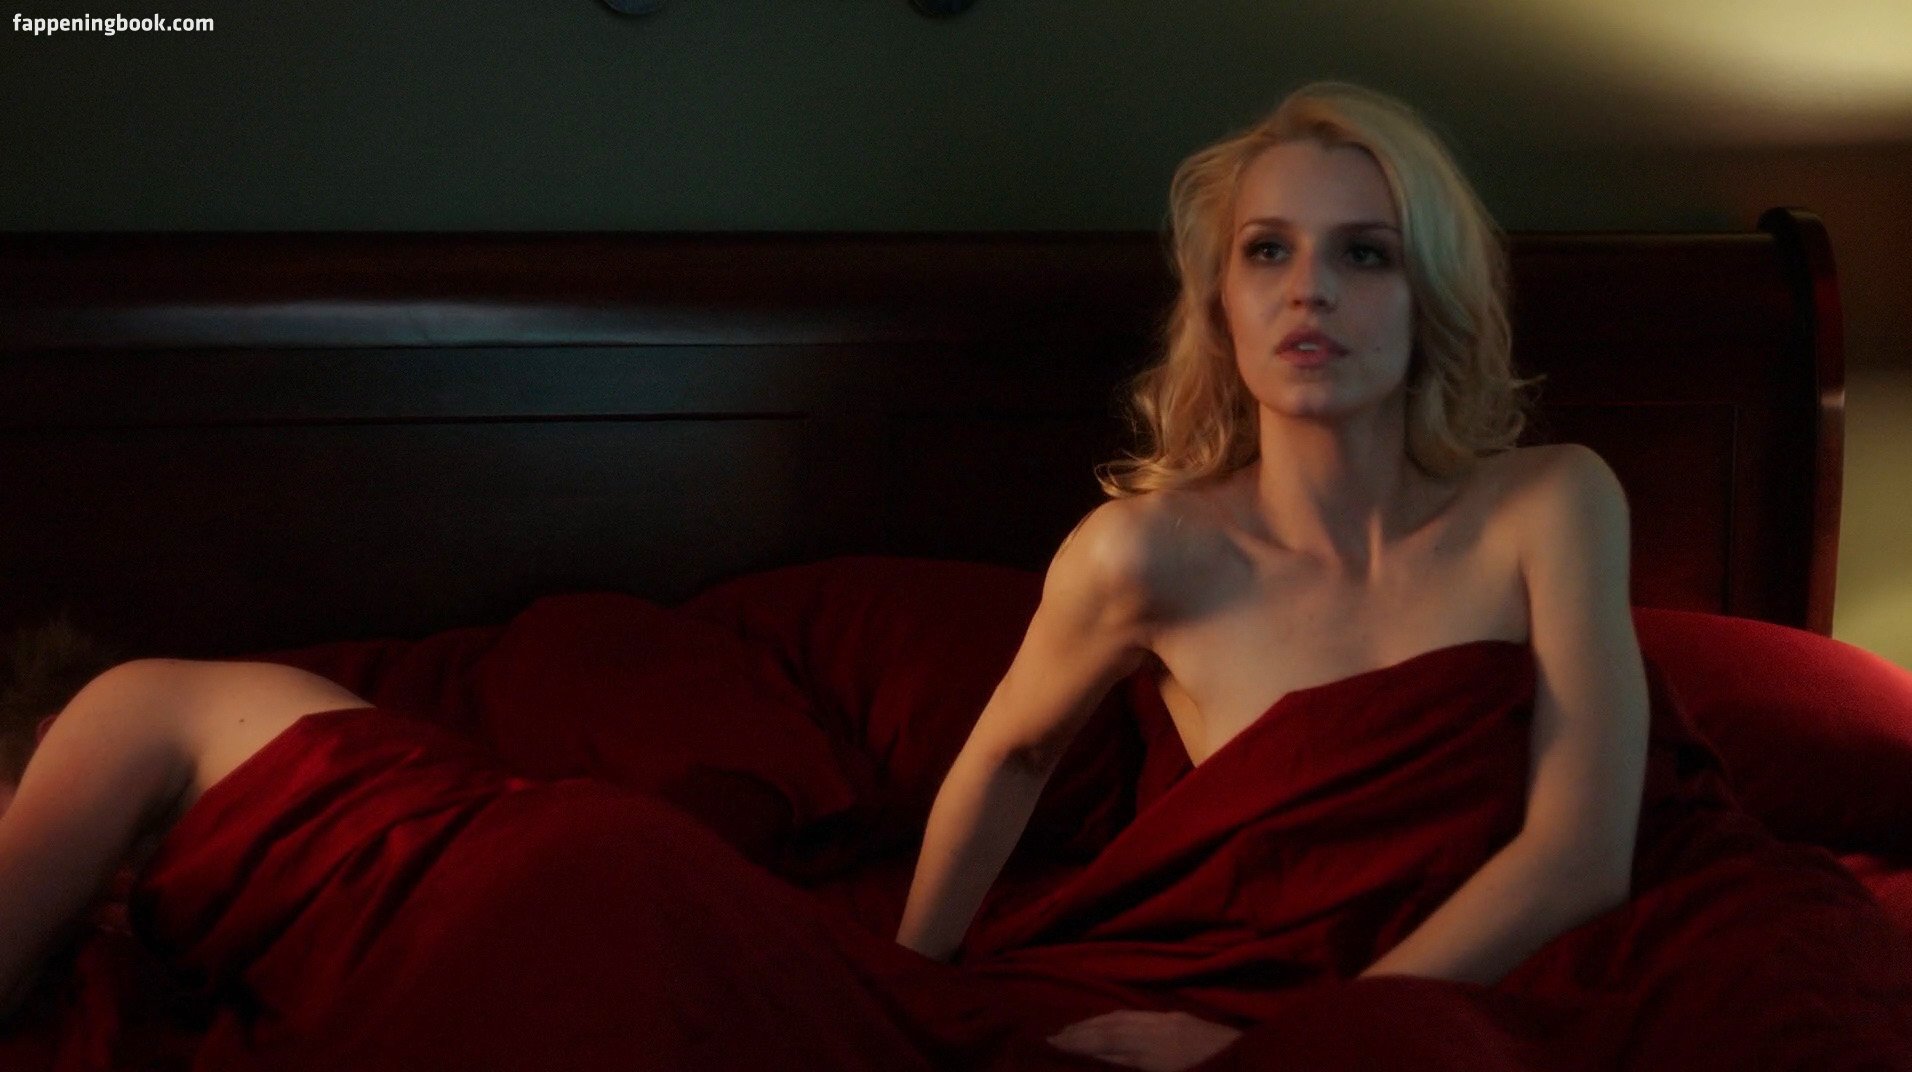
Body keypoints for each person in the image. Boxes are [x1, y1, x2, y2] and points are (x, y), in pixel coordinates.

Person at [896, 81, 1650, 1070]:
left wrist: (1290, 1049)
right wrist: (899, 988)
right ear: (1220, 303)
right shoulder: (1143, 554)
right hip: (1233, 977)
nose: (1308, 290)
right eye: (1266, 250)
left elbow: (1581, 858)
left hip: (1494, 995)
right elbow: (1012, 755)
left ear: (1430, 295)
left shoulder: (1553, 503)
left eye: (1364, 253)